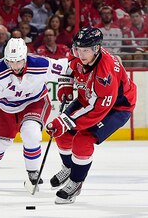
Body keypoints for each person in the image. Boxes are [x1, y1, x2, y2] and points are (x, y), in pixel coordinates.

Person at [46, 27, 137, 204]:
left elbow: (98, 109)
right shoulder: (79, 52)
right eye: (78, 49)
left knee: (83, 140)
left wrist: (66, 120)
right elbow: (70, 67)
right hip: (89, 97)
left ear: (96, 49)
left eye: (85, 50)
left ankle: (76, 181)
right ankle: (69, 166)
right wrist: (66, 83)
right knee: (63, 134)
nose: (80, 54)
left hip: (116, 108)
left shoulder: (105, 73)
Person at [0, 38, 68, 190]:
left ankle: (33, 171)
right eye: (11, 62)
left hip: (36, 102)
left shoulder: (40, 64)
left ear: (25, 57)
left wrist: (69, 83)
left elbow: (67, 67)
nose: (15, 66)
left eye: (19, 61)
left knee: (31, 133)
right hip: (8, 108)